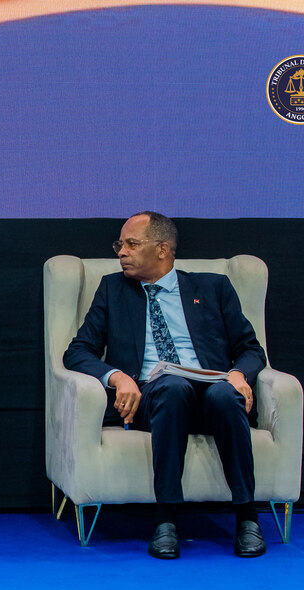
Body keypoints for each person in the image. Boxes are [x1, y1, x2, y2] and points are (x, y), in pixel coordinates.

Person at [62, 211, 267, 559]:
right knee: (173, 387)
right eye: (119, 244)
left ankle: (247, 517)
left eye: (132, 244)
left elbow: (250, 349)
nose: (121, 252)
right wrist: (118, 376)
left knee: (224, 394)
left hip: (212, 391)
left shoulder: (213, 287)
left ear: (162, 250)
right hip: (155, 397)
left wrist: (238, 374)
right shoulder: (113, 290)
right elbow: (78, 351)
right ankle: (166, 520)